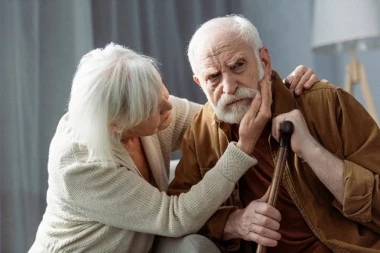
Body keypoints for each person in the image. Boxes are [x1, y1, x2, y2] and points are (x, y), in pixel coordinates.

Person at [28, 43, 321, 253]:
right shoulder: (81, 166)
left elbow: (221, 120)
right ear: (116, 125)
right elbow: (174, 218)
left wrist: (283, 89)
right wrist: (242, 148)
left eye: (162, 90)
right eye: (154, 108)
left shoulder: (146, 107)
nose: (170, 106)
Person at [168, 14, 380, 253]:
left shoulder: (327, 103)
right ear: (200, 83)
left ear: (264, 62)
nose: (229, 87)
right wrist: (233, 223)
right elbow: (180, 216)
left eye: (238, 65)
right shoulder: (201, 132)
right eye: (213, 77)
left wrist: (312, 151)